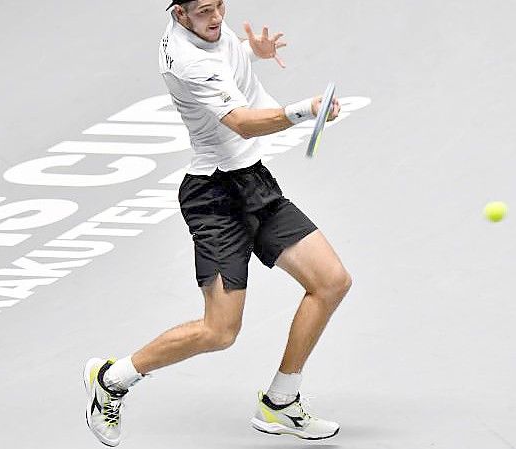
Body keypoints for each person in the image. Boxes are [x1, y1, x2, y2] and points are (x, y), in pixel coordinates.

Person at [83, 0, 351, 446]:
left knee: (331, 281)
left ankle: (280, 402)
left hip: (253, 184)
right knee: (220, 332)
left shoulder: (208, 33)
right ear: (178, 13)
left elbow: (225, 57)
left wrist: (250, 51)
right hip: (214, 200)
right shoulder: (186, 61)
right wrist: (305, 110)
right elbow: (242, 124)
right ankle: (112, 379)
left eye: (221, 5)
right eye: (205, 10)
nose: (217, 17)